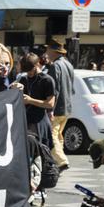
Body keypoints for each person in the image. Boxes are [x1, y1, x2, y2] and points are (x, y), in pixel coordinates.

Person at [46, 40, 74, 171]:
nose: (46, 53)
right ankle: (58, 160)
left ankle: (61, 161)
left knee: (52, 135)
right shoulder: (68, 65)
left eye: (48, 50)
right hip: (67, 106)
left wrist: (51, 109)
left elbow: (53, 89)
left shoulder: (55, 66)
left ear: (53, 51)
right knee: (58, 136)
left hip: (57, 107)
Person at [19, 52, 56, 143]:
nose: (28, 73)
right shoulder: (23, 79)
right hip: (25, 121)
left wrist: (30, 101)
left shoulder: (46, 80)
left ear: (37, 65)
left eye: (30, 70)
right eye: (26, 71)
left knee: (40, 152)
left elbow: (50, 104)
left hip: (40, 122)